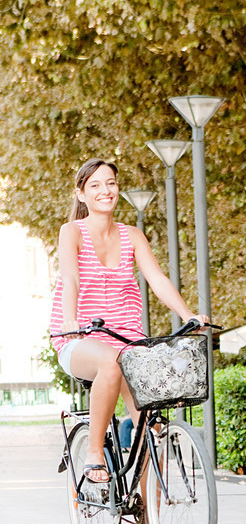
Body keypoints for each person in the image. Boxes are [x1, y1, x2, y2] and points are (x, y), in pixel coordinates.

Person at [50, 158, 208, 484]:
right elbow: (71, 279)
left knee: (151, 429)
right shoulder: (72, 232)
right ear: (81, 194)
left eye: (110, 183)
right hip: (80, 339)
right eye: (94, 185)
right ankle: (95, 453)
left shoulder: (132, 235)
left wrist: (188, 314)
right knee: (109, 363)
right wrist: (70, 324)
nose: (105, 190)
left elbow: (158, 279)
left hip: (128, 342)